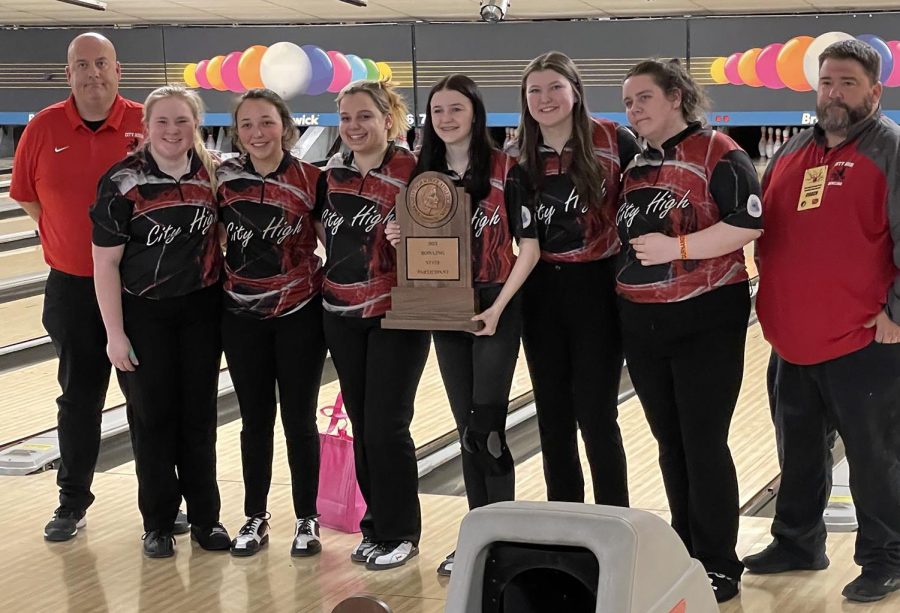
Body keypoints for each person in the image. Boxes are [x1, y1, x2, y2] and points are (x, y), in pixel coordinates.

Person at [9, 32, 189, 541]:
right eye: (81, 65)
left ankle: (161, 506)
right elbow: (28, 198)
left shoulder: (145, 121)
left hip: (142, 293)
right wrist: (73, 244)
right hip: (72, 289)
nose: (92, 73)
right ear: (68, 75)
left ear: (118, 70)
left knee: (150, 401)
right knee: (78, 399)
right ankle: (71, 502)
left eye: (101, 63)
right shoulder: (42, 128)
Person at [746, 39, 900, 604]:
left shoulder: (889, 150)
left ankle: (886, 558)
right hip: (792, 338)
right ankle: (797, 542)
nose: (834, 94)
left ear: (875, 92)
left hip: (865, 338)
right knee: (800, 453)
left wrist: (897, 313)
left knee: (876, 459)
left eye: (848, 84)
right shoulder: (790, 152)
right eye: (827, 83)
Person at [617, 58, 762, 603]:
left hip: (706, 317)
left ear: (676, 97)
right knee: (670, 443)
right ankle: (684, 550)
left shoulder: (720, 151)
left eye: (644, 98)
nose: (634, 110)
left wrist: (677, 248)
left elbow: (748, 222)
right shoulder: (634, 166)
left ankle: (719, 562)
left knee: (703, 443)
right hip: (643, 320)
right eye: (628, 102)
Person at [385, 74, 540, 576]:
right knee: (465, 431)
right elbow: (418, 249)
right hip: (446, 306)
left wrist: (498, 310)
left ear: (475, 113)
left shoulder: (507, 169)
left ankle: (505, 535)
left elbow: (530, 247)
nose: (446, 119)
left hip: (496, 303)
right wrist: (398, 235)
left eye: (456, 109)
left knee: (487, 426)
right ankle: (477, 536)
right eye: (437, 111)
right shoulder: (423, 176)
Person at [91, 85, 230, 558]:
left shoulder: (213, 173)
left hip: (201, 310)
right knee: (151, 419)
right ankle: (158, 523)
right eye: (163, 122)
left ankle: (207, 519)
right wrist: (114, 334)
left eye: (182, 122)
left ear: (196, 125)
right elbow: (105, 263)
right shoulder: (122, 181)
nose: (172, 131)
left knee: (199, 417)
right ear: (146, 127)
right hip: (144, 313)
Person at [513, 51, 638, 508]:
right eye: (534, 91)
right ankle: (564, 512)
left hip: (599, 288)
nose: (545, 99)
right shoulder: (519, 157)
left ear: (575, 91)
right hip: (541, 290)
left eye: (555, 87)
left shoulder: (614, 139)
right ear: (525, 101)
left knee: (597, 413)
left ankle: (612, 515)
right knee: (552, 415)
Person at [314, 80, 429, 571]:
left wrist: (414, 237)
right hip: (340, 313)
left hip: (396, 312)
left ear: (388, 119)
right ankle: (374, 527)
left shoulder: (415, 171)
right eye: (346, 119)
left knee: (387, 425)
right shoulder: (331, 173)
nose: (354, 127)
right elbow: (323, 231)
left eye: (365, 116)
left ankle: (401, 531)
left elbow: (444, 235)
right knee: (363, 424)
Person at [217, 88, 327, 558]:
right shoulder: (223, 180)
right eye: (247, 124)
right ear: (237, 132)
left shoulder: (313, 179)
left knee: (299, 420)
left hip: (300, 313)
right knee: (254, 421)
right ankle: (255, 516)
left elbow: (333, 240)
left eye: (266, 122)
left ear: (284, 125)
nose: (257, 133)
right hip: (240, 316)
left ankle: (307, 518)